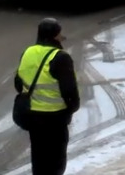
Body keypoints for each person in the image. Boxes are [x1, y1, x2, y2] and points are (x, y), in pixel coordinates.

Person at [15, 18, 80, 175]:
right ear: (55, 36)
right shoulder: (60, 57)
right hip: (55, 119)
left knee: (39, 157)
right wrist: (72, 108)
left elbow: (18, 84)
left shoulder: (28, 52)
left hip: (33, 116)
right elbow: (69, 90)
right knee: (56, 161)